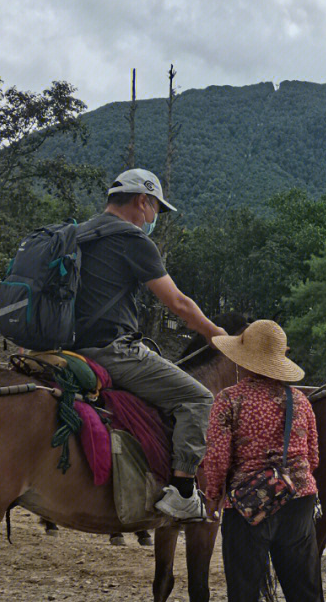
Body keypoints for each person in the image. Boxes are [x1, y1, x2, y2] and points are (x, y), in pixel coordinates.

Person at [74, 169, 226, 522]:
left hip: (69, 348)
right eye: (156, 208)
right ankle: (184, 492)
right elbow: (178, 303)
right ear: (142, 201)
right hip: (113, 351)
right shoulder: (132, 240)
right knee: (198, 397)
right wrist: (214, 332)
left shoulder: (80, 234)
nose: (154, 218)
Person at [200, 320, 326, 602]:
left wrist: (212, 497)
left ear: (244, 360)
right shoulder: (300, 401)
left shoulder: (229, 400)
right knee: (303, 589)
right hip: (300, 499)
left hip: (249, 506)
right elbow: (314, 457)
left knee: (243, 594)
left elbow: (218, 458)